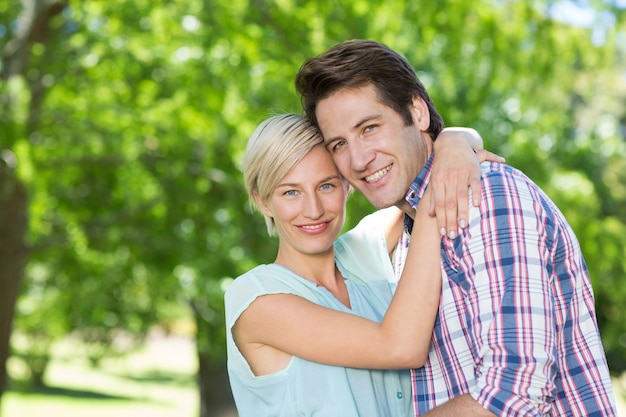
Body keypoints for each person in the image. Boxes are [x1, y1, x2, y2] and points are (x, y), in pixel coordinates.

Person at [295, 39, 618, 416]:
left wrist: (456, 138)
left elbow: (514, 393)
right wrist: (457, 137)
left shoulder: (486, 198)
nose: (359, 159)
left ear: (416, 112)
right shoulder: (406, 241)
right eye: (339, 144)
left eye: (369, 128)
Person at [225, 113, 502, 417]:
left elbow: (424, 170)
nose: (313, 210)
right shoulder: (255, 299)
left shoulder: (362, 251)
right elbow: (401, 347)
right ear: (263, 201)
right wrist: (438, 190)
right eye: (291, 192)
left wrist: (455, 142)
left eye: (327, 186)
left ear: (347, 185)